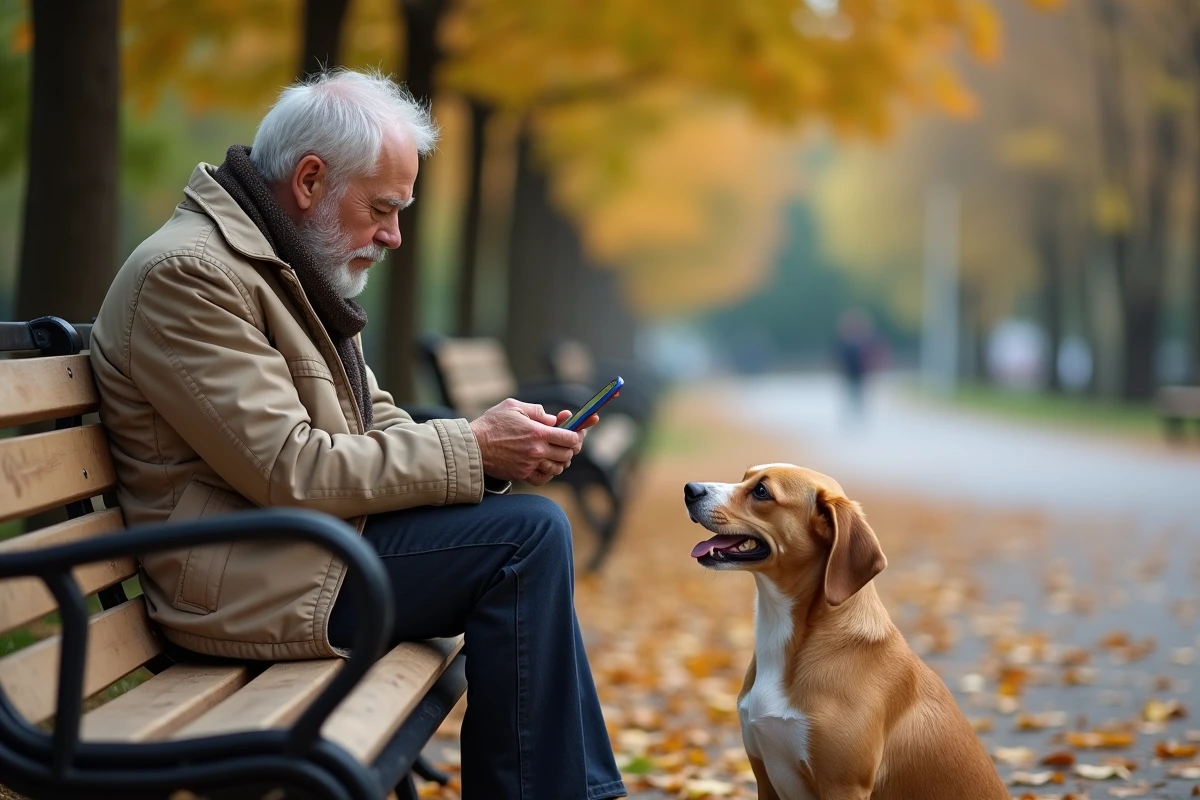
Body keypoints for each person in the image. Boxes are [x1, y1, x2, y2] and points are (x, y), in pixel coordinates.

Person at [89, 68, 626, 800]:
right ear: (309, 180)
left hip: (297, 554)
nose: (395, 235)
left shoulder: (283, 265)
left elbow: (376, 419)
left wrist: (496, 450)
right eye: (383, 208)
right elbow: (289, 468)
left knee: (527, 531)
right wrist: (472, 447)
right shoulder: (193, 275)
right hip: (245, 582)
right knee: (525, 541)